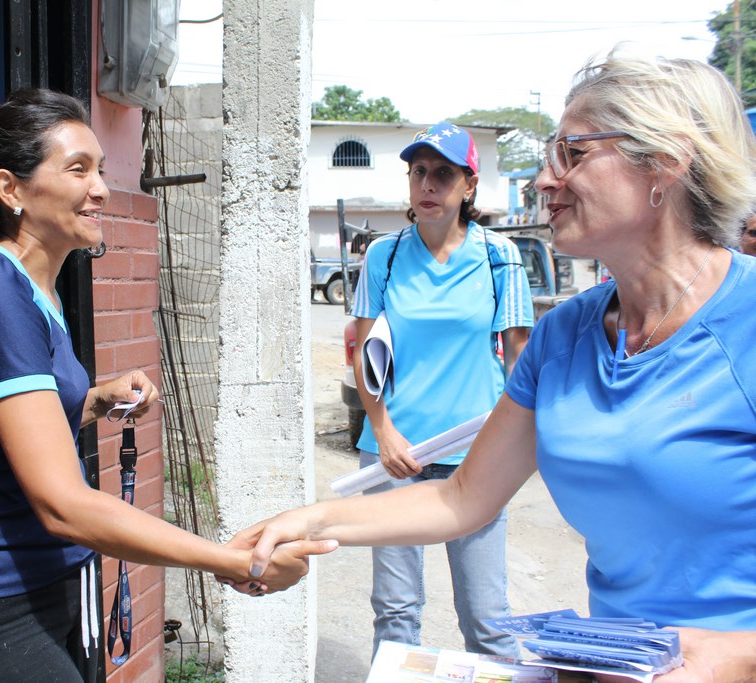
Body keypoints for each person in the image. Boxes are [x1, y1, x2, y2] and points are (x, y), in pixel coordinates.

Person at [233, 51, 756, 683]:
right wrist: (311, 517)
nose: (543, 180)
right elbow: (462, 497)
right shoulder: (565, 336)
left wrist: (730, 658)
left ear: (665, 163)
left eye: (572, 153)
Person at [0, 88, 336, 682]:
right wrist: (228, 559)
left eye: (102, 169)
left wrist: (95, 398)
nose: (101, 189)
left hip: (53, 580)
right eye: (77, 169)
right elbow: (62, 504)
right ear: (11, 190)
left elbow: (9, 426)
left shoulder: (35, 290)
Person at [348, 122, 532, 659]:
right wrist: (382, 433)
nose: (428, 185)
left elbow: (520, 363)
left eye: (443, 174)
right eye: (419, 172)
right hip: (394, 455)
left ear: (468, 186)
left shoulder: (501, 257)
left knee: (486, 617)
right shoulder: (383, 255)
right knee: (396, 612)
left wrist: (512, 450)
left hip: (476, 456)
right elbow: (365, 353)